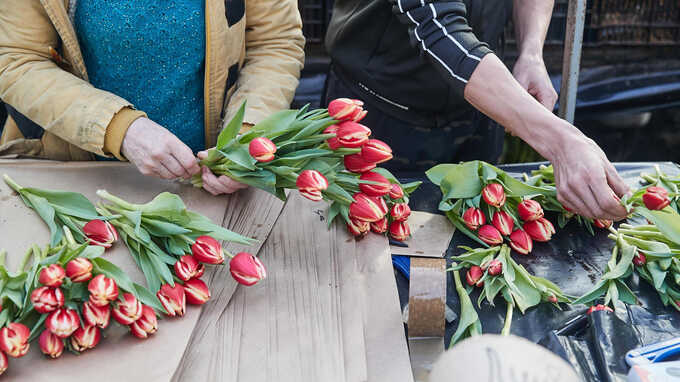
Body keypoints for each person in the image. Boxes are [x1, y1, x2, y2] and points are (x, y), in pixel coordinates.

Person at [325, 0, 629, 221]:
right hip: (381, 109)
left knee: (478, 236)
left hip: (482, 102)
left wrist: (531, 53)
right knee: (378, 254)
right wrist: (562, 142)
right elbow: (440, 29)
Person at [0, 0, 304, 196]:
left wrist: (247, 134)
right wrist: (121, 129)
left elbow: (273, 42)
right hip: (74, 178)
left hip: (208, 187)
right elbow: (17, 59)